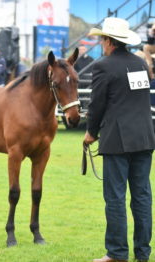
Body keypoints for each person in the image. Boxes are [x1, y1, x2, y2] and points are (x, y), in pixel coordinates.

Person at [83, 17, 155, 262]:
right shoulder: (141, 64)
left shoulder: (103, 66)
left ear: (108, 41)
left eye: (102, 39)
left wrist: (91, 133)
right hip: (144, 138)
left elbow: (97, 105)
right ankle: (143, 253)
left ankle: (116, 253)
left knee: (115, 197)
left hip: (117, 140)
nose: (101, 43)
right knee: (142, 196)